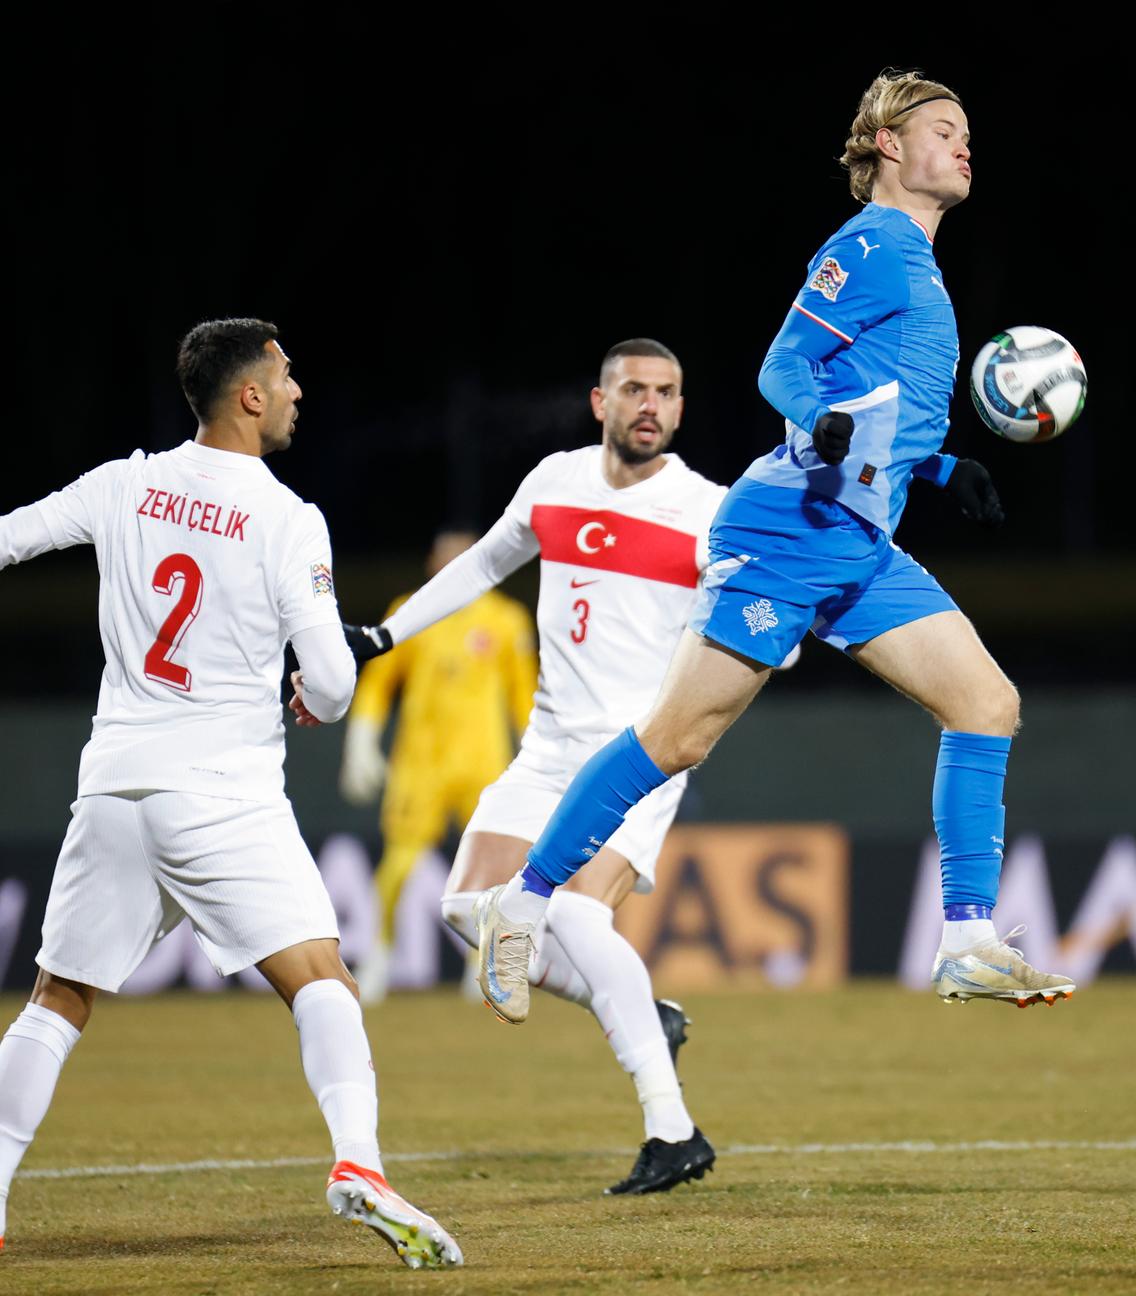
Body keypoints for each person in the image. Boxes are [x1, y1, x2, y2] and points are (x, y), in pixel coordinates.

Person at [457, 69, 1077, 1021]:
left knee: (986, 702)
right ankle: (523, 900)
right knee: (677, 738)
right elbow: (783, 366)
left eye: (967, 134)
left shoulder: (914, 260)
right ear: (885, 146)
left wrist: (946, 469)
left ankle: (964, 940)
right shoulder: (870, 243)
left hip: (859, 538)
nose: (963, 145)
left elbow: (880, 412)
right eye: (943, 130)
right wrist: (817, 418)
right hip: (791, 528)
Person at [0, 319, 461, 1269]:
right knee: (321, 981)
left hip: (119, 783)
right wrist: (315, 697)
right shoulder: (289, 518)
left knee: (55, 1001)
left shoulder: (122, 483)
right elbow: (331, 683)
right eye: (286, 376)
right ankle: (360, 1166)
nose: (298, 391)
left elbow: (11, 540)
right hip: (222, 790)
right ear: (248, 394)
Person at [337, 338, 740, 1194]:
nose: (650, 405)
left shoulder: (711, 510)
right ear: (601, 402)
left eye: (667, 392)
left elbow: (753, 629)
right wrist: (382, 638)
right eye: (634, 389)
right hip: (549, 745)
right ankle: (639, 1011)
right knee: (464, 909)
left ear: (679, 407)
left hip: (637, 753)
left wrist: (693, 723)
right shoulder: (554, 480)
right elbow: (483, 564)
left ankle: (672, 1129)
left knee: (580, 922)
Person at [339, 527, 537, 1001]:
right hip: (421, 762)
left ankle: (484, 961)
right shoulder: (412, 613)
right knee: (399, 864)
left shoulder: (506, 619)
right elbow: (378, 681)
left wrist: (536, 759)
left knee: (492, 870)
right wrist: (362, 741)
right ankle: (380, 954)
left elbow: (524, 694)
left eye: (463, 559)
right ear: (432, 565)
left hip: (485, 762)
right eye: (445, 558)